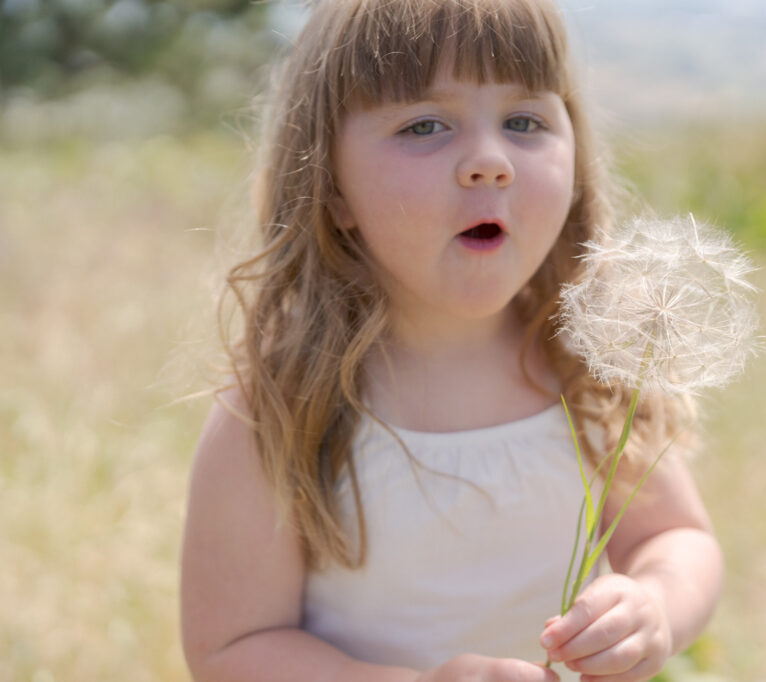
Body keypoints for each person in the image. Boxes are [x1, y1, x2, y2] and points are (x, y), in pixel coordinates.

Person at [179, 1, 723, 680]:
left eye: (525, 122)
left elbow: (677, 536)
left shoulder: (589, 364)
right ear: (330, 187)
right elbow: (231, 647)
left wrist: (654, 603)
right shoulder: (280, 405)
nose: (490, 162)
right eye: (425, 125)